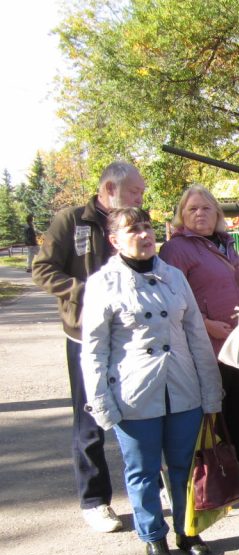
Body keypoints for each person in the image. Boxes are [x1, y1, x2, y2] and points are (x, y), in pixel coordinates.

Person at [79, 207, 223, 555]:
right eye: (133, 230)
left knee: (183, 467)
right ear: (114, 241)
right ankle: (152, 535)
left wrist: (210, 389)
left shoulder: (174, 276)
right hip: (134, 394)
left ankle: (187, 530)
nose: (144, 235)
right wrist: (101, 402)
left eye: (147, 227)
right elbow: (93, 350)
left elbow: (196, 335)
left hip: (182, 388)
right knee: (142, 470)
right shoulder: (103, 283)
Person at [33, 161, 147, 533]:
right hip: (85, 335)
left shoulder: (133, 219)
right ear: (110, 188)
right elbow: (43, 270)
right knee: (91, 417)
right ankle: (95, 500)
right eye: (135, 192)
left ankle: (151, 485)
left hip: (131, 336)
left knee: (143, 411)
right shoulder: (71, 221)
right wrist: (89, 295)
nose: (140, 199)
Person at [159, 184, 239, 491]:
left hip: (237, 344)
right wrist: (206, 324)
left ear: (217, 213)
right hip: (204, 347)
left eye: (206, 208)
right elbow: (171, 298)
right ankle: (213, 478)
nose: (200, 214)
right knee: (212, 414)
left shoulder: (226, 244)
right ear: (181, 215)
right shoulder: (176, 250)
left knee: (238, 411)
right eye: (192, 209)